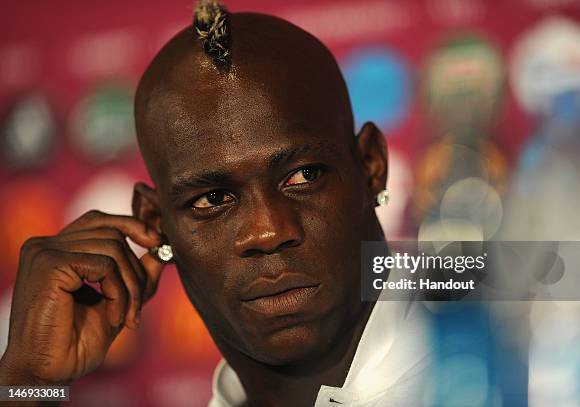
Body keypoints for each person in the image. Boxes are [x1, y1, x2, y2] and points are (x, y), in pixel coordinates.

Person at [0, 1, 430, 405]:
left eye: (304, 175)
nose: (268, 231)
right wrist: (30, 383)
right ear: (156, 222)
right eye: (213, 198)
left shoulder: (487, 351)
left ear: (371, 166)